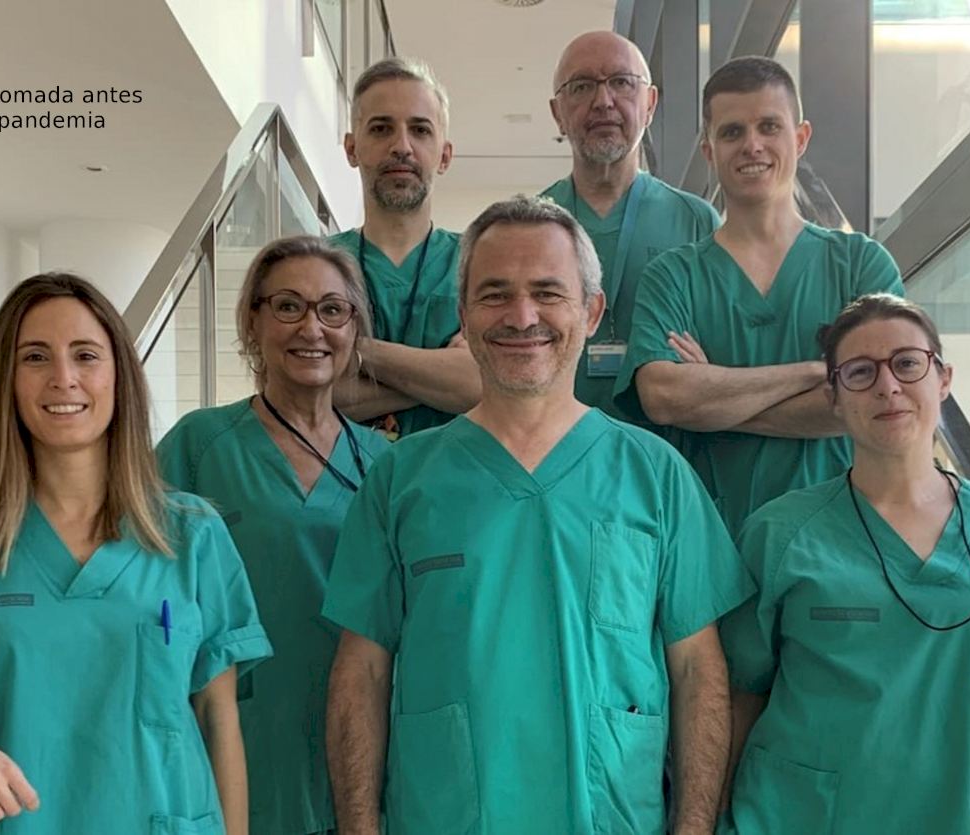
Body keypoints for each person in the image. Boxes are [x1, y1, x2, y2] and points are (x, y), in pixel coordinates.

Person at [322, 196, 753, 835]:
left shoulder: (656, 476)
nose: (522, 317)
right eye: (495, 294)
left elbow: (698, 671)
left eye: (548, 293)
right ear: (463, 314)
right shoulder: (401, 479)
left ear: (592, 311)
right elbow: (361, 672)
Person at [0, 274, 271, 833]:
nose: (63, 378)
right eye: (35, 357)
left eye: (86, 355)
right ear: (6, 380)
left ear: (119, 376)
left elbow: (219, 719)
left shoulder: (191, 534)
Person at [718, 294, 970, 835]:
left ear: (943, 379)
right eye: (861, 372)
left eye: (907, 363)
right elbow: (740, 698)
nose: (888, 386)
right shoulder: (780, 534)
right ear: (834, 397)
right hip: (805, 818)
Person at [157, 237, 390, 835]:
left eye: (332, 310)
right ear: (252, 322)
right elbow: (139, 592)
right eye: (288, 306)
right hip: (238, 748)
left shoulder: (386, 464)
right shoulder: (199, 445)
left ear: (354, 329)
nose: (312, 328)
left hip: (359, 751)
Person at [615, 56, 904, 536]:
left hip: (842, 542)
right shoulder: (674, 275)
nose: (752, 145)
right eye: (732, 132)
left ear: (800, 138)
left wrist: (712, 401)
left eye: (769, 126)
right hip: (713, 541)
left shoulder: (860, 265)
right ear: (709, 150)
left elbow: (876, 397)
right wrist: (815, 372)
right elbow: (664, 397)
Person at [543, 30, 720, 419]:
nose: (603, 101)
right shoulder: (530, 223)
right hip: (552, 445)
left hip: (667, 445)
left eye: (622, 83)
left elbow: (721, 349)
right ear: (558, 113)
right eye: (582, 86)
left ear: (650, 103)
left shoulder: (696, 221)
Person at [330, 57, 480, 439]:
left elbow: (483, 382)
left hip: (455, 471)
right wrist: (444, 380)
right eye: (381, 129)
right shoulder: (316, 266)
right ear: (351, 148)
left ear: (444, 155)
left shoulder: (478, 261)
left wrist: (356, 352)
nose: (401, 146)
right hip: (340, 474)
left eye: (420, 130)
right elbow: (306, 390)